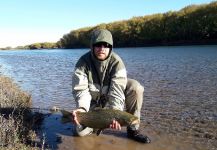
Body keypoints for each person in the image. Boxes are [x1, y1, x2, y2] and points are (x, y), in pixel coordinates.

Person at [71, 29, 151, 143]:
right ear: (92, 46)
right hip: (92, 104)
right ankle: (95, 125)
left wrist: (116, 114)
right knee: (80, 133)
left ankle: (133, 130)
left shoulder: (117, 62)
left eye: (106, 45)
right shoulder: (82, 63)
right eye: (98, 44)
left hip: (111, 100)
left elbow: (117, 91)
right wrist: (81, 109)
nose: (102, 48)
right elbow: (81, 91)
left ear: (110, 47)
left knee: (136, 88)